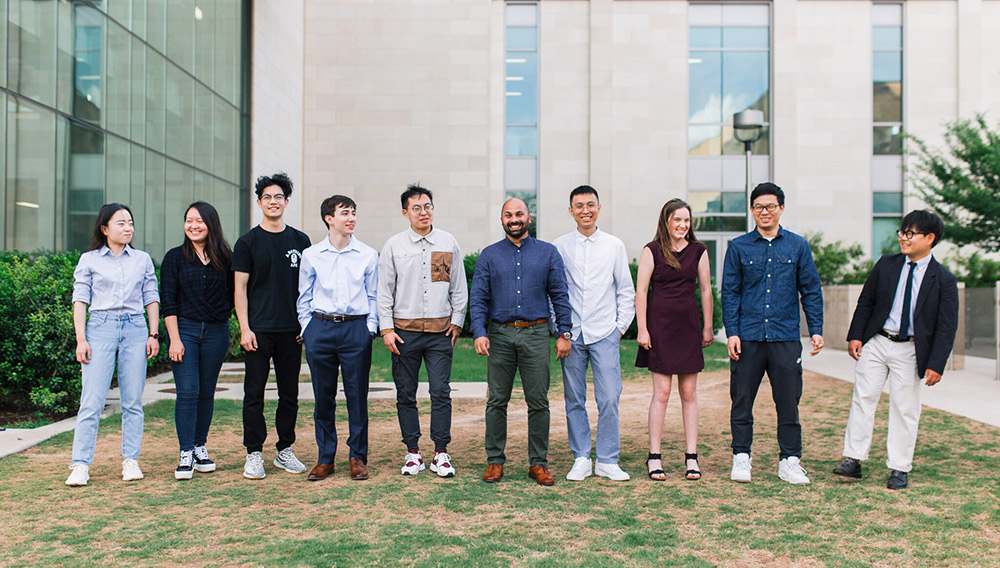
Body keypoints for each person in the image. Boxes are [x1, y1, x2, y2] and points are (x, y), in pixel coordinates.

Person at [833, 210, 958, 490]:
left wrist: (937, 363)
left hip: (911, 349)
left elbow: (947, 326)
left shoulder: (944, 280)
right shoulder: (886, 265)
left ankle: (899, 468)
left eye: (910, 233)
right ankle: (853, 460)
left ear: (930, 238)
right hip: (877, 341)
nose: (903, 238)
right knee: (863, 398)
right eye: (902, 232)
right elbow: (866, 301)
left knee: (905, 408)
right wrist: (856, 336)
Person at [722, 182, 824, 485]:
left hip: (785, 337)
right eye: (758, 207)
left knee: (789, 402)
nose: (764, 212)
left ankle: (790, 460)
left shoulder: (797, 245)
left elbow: (811, 290)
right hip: (749, 336)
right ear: (752, 210)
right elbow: (730, 292)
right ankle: (742, 457)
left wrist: (815, 329)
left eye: (770, 206)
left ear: (781, 208)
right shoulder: (738, 247)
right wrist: (732, 332)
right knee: (741, 400)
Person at [470, 197, 573, 486]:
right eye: (507, 215)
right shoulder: (489, 255)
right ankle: (494, 461)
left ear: (528, 217)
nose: (513, 219)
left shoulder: (548, 253)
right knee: (496, 401)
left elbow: (560, 296)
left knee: (538, 402)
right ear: (501, 220)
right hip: (500, 335)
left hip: (537, 334)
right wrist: (479, 331)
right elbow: (478, 297)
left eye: (518, 214)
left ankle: (537, 463)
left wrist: (564, 333)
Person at [66, 204, 160, 486]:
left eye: (130, 222)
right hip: (100, 328)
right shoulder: (89, 260)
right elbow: (80, 300)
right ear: (104, 229)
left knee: (133, 401)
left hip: (135, 328)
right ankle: (80, 464)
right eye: (121, 223)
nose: (128, 227)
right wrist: (81, 339)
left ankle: (130, 460)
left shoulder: (142, 259)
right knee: (91, 401)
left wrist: (153, 334)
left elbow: (150, 296)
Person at [378, 184, 467, 478]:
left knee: (441, 392)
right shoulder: (394, 246)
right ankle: (413, 452)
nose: (423, 212)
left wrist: (457, 321)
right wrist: (387, 329)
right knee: (406, 393)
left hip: (441, 333)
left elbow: (458, 286)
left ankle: (441, 452)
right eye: (416, 208)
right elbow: (384, 291)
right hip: (405, 333)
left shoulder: (448, 241)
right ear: (405, 212)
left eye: (427, 206)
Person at [553, 186, 635, 482]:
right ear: (571, 210)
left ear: (599, 208)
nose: (585, 210)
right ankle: (581, 457)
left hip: (604, 332)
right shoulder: (559, 246)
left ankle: (608, 459)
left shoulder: (614, 245)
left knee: (610, 397)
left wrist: (619, 327)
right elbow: (554, 291)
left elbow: (626, 290)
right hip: (571, 335)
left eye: (590, 205)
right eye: (579, 205)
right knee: (574, 397)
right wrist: (558, 327)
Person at [233, 173, 312, 480]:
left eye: (279, 197)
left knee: (289, 393)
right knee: (254, 393)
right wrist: (244, 328)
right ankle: (254, 453)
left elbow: (308, 288)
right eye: (267, 197)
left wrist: (305, 324)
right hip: (258, 331)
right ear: (259, 203)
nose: (273, 202)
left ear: (286, 202)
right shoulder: (247, 243)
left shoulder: (300, 241)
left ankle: (284, 450)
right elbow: (240, 288)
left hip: (291, 331)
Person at [297, 195, 379, 481]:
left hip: (355, 330)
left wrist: (369, 329)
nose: (351, 218)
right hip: (320, 329)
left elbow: (373, 295)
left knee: (357, 396)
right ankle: (325, 457)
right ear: (329, 219)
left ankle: (357, 456)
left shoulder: (368, 255)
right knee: (324, 397)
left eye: (354, 212)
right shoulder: (312, 255)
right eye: (345, 213)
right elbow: (304, 296)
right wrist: (308, 327)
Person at [636, 199, 713, 482]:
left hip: (689, 327)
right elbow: (641, 292)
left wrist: (707, 326)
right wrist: (642, 329)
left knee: (690, 394)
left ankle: (691, 457)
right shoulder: (651, 250)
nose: (683, 225)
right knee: (663, 393)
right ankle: (654, 456)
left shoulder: (699, 251)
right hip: (659, 327)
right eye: (677, 220)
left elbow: (705, 290)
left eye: (687, 221)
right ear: (666, 221)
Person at [160, 202, 234, 480]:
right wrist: (175, 339)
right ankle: (186, 452)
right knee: (188, 391)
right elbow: (168, 301)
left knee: (206, 392)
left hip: (216, 332)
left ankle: (200, 446)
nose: (193, 225)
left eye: (199, 220)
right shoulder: (174, 258)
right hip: (185, 331)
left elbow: (233, 295)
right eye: (189, 220)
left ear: (211, 224)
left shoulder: (226, 257)